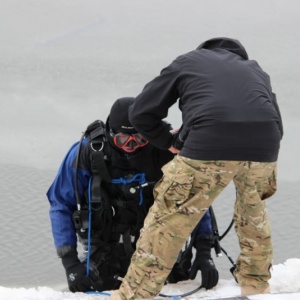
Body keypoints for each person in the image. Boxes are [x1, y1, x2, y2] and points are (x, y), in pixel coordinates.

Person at [110, 38, 283, 300]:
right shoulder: (255, 69)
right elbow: (277, 124)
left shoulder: (188, 61)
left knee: (168, 220)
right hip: (264, 146)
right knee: (254, 215)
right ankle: (256, 286)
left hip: (208, 143)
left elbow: (141, 112)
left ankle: (134, 295)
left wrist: (168, 142)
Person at [46, 97, 219, 293]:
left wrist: (204, 253)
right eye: (123, 140)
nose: (131, 146)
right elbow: (60, 203)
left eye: (140, 139)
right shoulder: (89, 152)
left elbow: (195, 200)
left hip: (158, 245)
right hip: (104, 247)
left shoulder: (165, 150)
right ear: (110, 133)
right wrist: (70, 263)